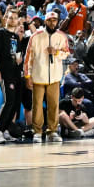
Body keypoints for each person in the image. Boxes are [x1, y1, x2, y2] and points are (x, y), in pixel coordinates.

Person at [23, 10, 70, 143]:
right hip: (38, 76)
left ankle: (52, 131)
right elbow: (28, 57)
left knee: (54, 105)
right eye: (49, 20)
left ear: (57, 21)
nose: (51, 22)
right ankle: (37, 132)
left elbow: (67, 54)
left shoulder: (61, 36)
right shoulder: (36, 36)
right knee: (37, 105)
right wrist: (28, 76)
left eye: (54, 20)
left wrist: (56, 52)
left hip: (54, 77)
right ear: (45, 21)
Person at [0, 8, 24, 144]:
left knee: (15, 103)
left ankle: (5, 130)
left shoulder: (16, 37)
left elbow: (18, 54)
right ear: (6, 18)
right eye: (10, 17)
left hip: (15, 73)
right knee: (9, 101)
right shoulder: (0, 34)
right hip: (4, 73)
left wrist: (19, 59)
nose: (12, 20)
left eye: (15, 18)